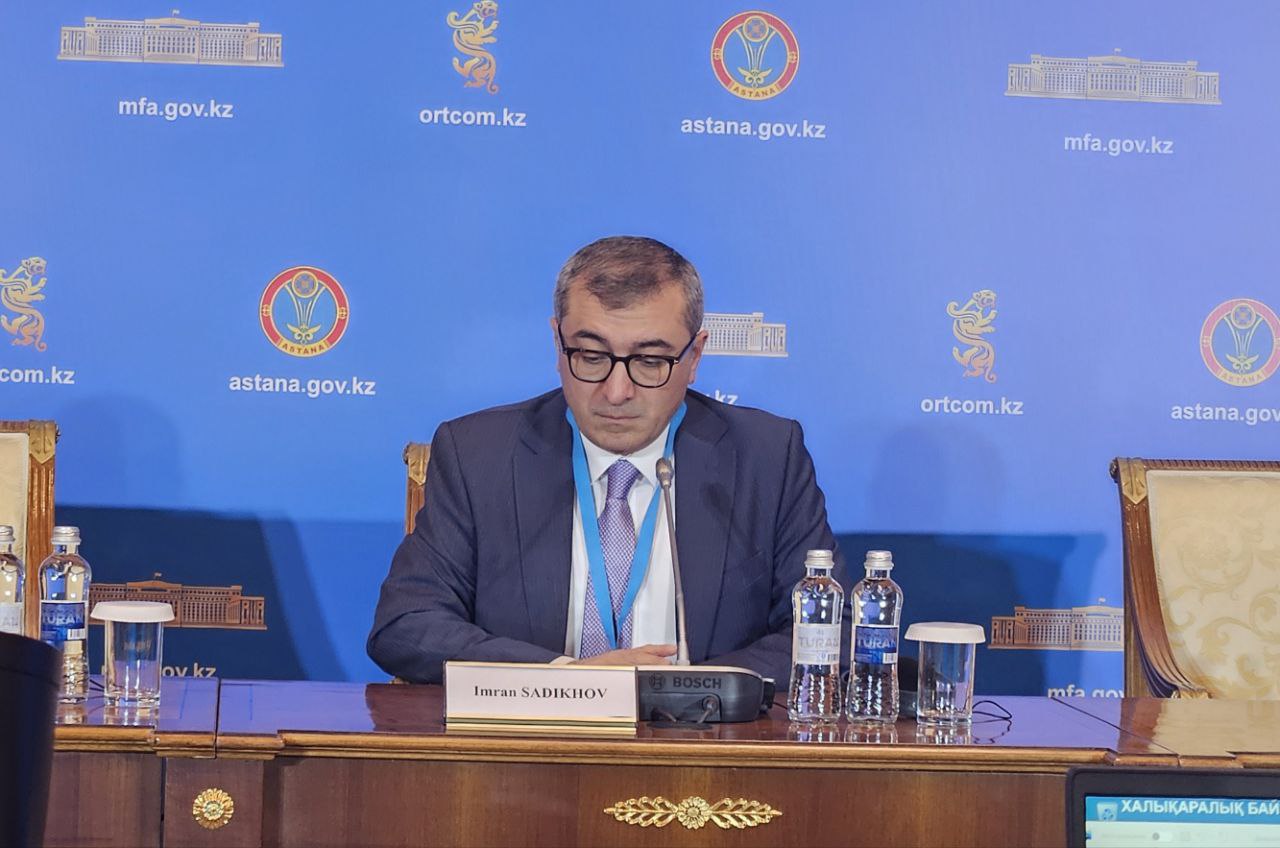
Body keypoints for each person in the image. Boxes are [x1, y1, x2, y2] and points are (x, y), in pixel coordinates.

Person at [367, 236, 845, 686]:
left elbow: (827, 633)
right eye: (592, 356)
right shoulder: (479, 455)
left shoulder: (766, 457)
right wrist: (568, 679)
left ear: (695, 356)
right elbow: (406, 624)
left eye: (650, 361)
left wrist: (679, 691)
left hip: (703, 739)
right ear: (558, 344)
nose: (617, 392)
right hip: (532, 738)